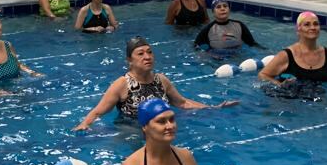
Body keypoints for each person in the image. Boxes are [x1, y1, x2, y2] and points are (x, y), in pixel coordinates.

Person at [73, 36, 238, 130]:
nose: (147, 56)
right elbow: (97, 112)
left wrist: (213, 108)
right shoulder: (122, 84)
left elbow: (183, 103)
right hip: (131, 132)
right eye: (140, 53)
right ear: (129, 60)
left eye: (150, 52)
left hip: (161, 131)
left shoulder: (161, 80)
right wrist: (83, 125)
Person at [258, 12, 327, 86]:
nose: (312, 27)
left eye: (316, 24)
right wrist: (279, 85)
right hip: (288, 104)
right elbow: (263, 75)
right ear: (299, 29)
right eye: (307, 24)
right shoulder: (287, 55)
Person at [193, 0, 258, 50]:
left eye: (225, 6)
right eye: (218, 7)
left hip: (237, 56)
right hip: (216, 58)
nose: (222, 8)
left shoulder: (239, 25)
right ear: (213, 12)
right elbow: (196, 46)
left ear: (229, 9)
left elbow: (252, 44)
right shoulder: (208, 29)